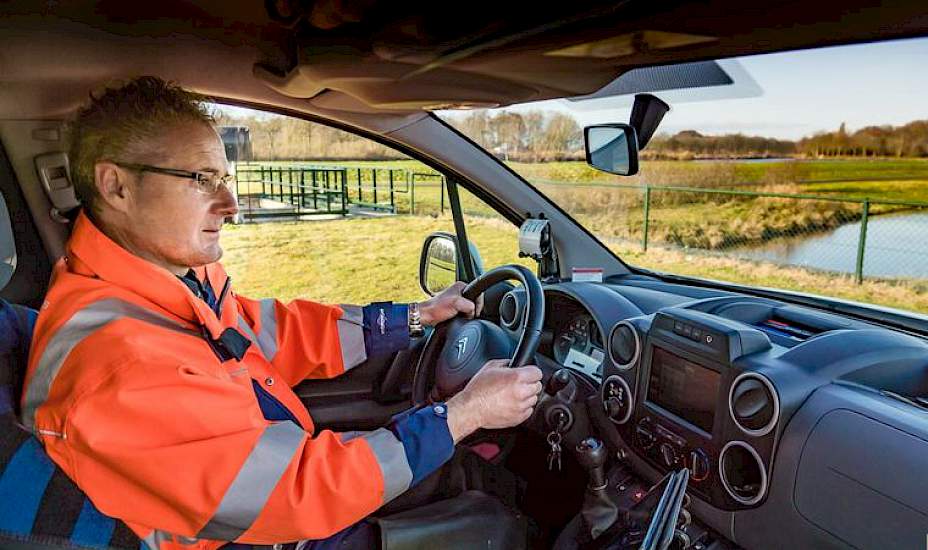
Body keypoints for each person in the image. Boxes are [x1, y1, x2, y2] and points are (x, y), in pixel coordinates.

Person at [21, 76, 542, 550]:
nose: (230, 203)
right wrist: (463, 415)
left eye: (225, 177)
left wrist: (410, 318)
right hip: (263, 533)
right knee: (494, 531)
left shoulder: (163, 284)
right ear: (116, 187)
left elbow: (263, 332)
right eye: (202, 179)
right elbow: (297, 494)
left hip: (274, 499)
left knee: (465, 480)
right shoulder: (121, 370)